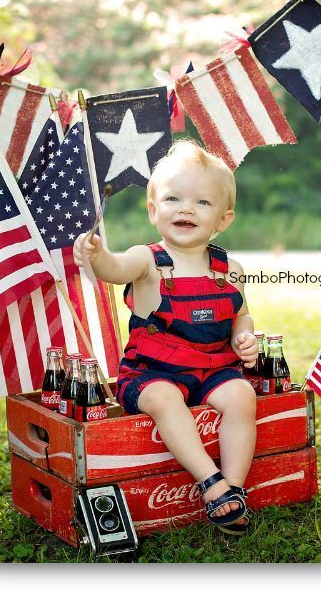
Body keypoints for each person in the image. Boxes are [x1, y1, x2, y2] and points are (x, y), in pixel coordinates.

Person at [73, 140, 258, 535]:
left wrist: (244, 336)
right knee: (163, 397)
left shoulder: (230, 268)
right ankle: (211, 482)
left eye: (202, 203)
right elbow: (113, 268)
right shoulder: (146, 259)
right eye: (173, 198)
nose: (186, 208)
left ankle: (236, 487)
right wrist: (96, 254)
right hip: (153, 373)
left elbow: (241, 315)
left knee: (242, 396)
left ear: (223, 220)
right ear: (154, 209)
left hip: (212, 369)